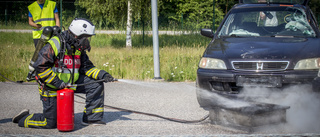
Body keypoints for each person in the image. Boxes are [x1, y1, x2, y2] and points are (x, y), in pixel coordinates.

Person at [12, 18, 115, 128]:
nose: (87, 41)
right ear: (77, 35)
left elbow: (86, 67)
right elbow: (40, 67)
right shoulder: (56, 44)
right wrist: (57, 82)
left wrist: (103, 75)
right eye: (86, 37)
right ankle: (22, 118)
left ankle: (91, 118)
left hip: (70, 83)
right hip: (51, 86)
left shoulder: (77, 47)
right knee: (49, 123)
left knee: (95, 84)